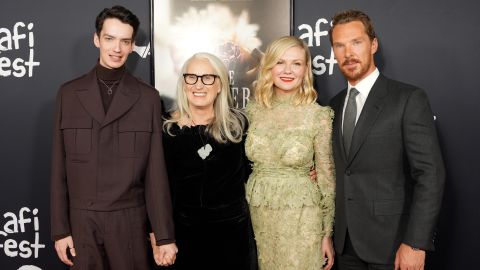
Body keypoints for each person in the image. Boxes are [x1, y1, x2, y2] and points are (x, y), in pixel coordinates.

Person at [50, 5, 177, 269]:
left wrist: (164, 236)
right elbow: (58, 168)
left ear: (132, 46)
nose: (116, 48)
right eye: (109, 38)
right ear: (97, 40)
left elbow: (156, 172)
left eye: (125, 41)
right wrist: (60, 231)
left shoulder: (148, 98)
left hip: (130, 222)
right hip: (82, 223)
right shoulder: (69, 94)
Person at [328, 10, 445, 270]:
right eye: (339, 45)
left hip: (392, 247)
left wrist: (416, 243)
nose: (348, 53)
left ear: (373, 44)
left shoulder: (407, 98)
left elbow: (430, 175)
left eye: (356, 42)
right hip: (345, 247)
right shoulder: (333, 106)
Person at [156, 52, 257, 269]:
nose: (198, 85)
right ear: (183, 84)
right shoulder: (166, 130)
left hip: (232, 241)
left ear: (220, 84)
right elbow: (155, 187)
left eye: (207, 77)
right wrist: (157, 236)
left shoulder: (239, 126)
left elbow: (258, 170)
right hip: (182, 239)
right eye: (191, 77)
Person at [245, 36, 335, 270]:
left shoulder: (318, 115)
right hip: (259, 218)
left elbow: (326, 177)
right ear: (269, 67)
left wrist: (326, 233)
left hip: (303, 220)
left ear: (305, 69)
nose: (287, 70)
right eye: (280, 62)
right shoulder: (252, 111)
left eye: (296, 63)